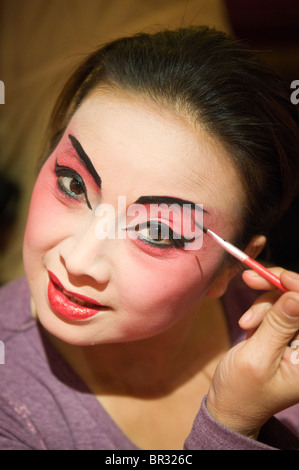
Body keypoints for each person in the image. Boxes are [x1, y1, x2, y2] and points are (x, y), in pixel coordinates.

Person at [0, 25, 299, 450]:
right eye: (72, 184)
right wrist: (231, 425)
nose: (80, 261)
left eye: (157, 230)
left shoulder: (278, 330)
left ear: (232, 267)